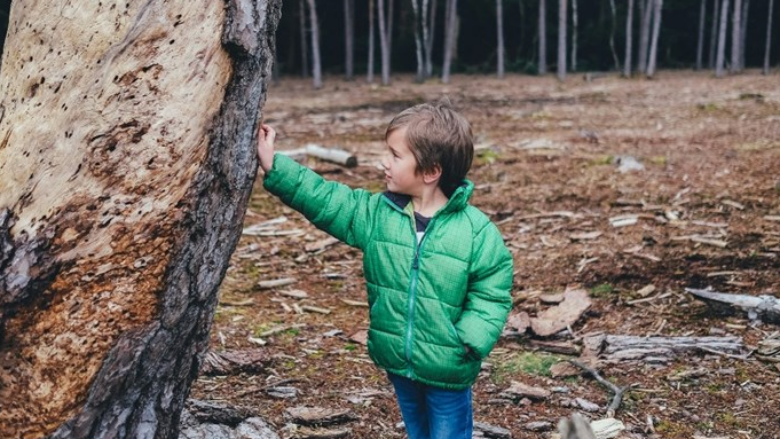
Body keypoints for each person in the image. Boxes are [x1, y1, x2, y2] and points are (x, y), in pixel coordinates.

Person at [256, 101, 513, 439]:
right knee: (417, 431)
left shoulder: (475, 231)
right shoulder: (378, 215)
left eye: (395, 155)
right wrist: (276, 166)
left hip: (448, 364)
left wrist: (468, 340)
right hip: (397, 358)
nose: (384, 162)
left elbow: (493, 290)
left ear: (430, 171)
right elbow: (327, 199)